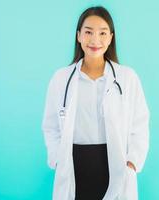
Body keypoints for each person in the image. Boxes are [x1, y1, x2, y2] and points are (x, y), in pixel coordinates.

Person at [41, 6, 150, 200]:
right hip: (74, 166)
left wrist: (132, 163)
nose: (95, 40)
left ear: (110, 38)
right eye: (88, 32)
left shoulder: (127, 78)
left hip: (115, 165)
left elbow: (140, 125)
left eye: (102, 33)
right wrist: (59, 160)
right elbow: (50, 127)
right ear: (79, 36)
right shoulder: (61, 79)